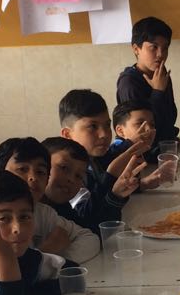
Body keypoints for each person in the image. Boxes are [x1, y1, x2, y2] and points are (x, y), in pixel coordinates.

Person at [0, 106, 99, 263]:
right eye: (22, 169)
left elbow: (90, 239)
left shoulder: (43, 212)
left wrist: (50, 261)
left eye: (40, 172)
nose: (33, 177)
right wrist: (45, 255)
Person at [58, 89, 146, 225]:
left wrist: (143, 183)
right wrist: (111, 175)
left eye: (107, 125)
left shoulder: (94, 158)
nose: (104, 134)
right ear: (67, 134)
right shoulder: (66, 171)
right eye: (92, 126)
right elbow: (84, 219)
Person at [116, 16, 178, 148]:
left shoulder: (161, 75)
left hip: (164, 148)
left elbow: (169, 117)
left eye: (165, 48)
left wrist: (172, 140)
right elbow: (142, 130)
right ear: (136, 49)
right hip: (141, 152)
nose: (160, 54)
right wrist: (158, 92)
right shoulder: (129, 82)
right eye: (153, 47)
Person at [108, 102, 167, 189]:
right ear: (120, 131)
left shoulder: (141, 147)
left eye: (152, 124)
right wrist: (129, 143)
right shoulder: (117, 148)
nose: (149, 129)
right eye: (140, 123)